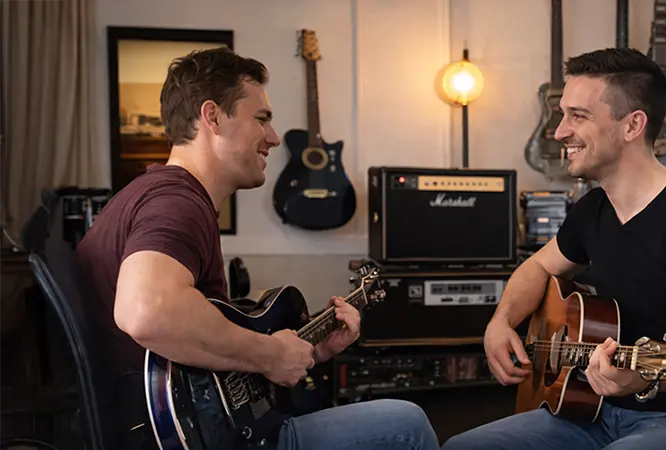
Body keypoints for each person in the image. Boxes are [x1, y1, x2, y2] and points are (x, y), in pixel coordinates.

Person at [75, 47, 439, 450]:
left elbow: (207, 361)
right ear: (212, 117)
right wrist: (269, 354)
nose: (274, 137)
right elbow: (147, 312)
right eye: (261, 119)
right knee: (406, 423)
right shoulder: (175, 202)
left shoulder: (160, 194)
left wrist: (308, 350)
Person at [442, 48, 666, 450]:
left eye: (578, 116)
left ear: (632, 125)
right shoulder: (592, 210)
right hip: (592, 412)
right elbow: (537, 268)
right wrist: (500, 323)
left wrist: (640, 376)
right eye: (563, 114)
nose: (559, 132)